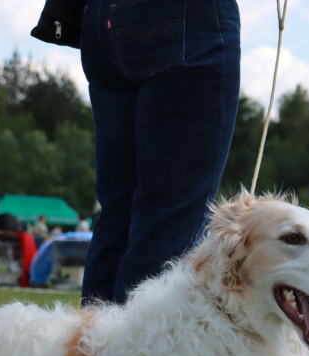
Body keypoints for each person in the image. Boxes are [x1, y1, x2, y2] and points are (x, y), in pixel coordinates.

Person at [79, 0, 241, 305]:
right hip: (183, 17)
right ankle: (136, 353)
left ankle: (90, 350)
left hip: (101, 19)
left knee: (117, 218)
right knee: (167, 220)